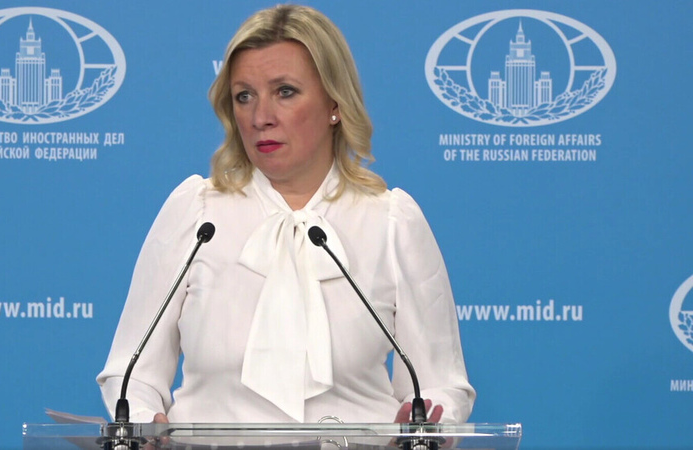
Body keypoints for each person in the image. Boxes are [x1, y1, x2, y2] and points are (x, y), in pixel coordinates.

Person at [97, 4, 475, 425]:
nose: (261, 118)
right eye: (244, 96)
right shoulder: (197, 214)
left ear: (334, 102)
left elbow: (440, 383)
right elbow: (130, 375)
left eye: (285, 92)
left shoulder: (391, 222)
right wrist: (144, 422)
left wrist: (428, 423)